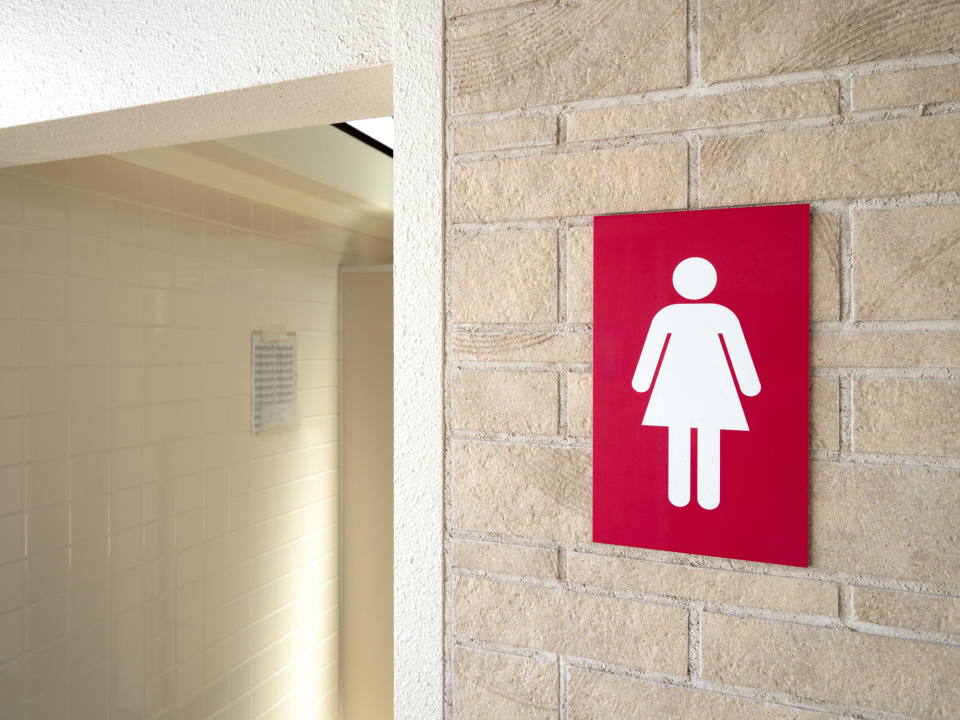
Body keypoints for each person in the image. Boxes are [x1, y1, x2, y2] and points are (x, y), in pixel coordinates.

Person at [631, 257, 760, 510]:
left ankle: (682, 496)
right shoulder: (721, 315)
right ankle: (707, 496)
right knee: (706, 436)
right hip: (710, 387)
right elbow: (738, 352)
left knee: (680, 436)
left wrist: (642, 382)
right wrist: (748, 385)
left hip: (677, 387)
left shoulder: (668, 314)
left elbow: (651, 354)